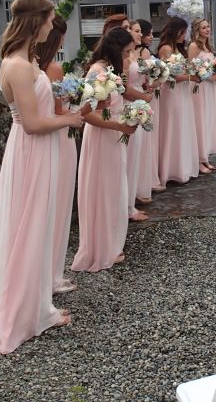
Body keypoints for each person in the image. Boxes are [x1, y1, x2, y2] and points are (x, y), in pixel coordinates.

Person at [0, 0, 83, 355]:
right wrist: (72, 118)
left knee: (39, 227)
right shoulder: (18, 65)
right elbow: (34, 124)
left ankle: (37, 306)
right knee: (31, 228)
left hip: (40, 151)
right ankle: (25, 314)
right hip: (34, 151)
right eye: (51, 19)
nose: (53, 26)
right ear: (36, 20)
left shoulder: (25, 59)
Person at [71, 28, 138, 272]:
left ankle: (110, 242)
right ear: (115, 50)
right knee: (103, 190)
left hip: (113, 135)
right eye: (127, 52)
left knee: (113, 189)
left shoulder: (110, 69)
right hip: (101, 137)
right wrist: (119, 124)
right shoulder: (97, 71)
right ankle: (100, 248)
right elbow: (86, 114)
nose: (130, 57)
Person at [34, 15, 78, 294]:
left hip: (42, 139)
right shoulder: (54, 69)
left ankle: (43, 275)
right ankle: (52, 275)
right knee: (58, 207)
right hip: (59, 136)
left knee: (45, 209)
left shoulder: (32, 68)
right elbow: (60, 111)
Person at [157, 17, 200, 184]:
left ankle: (184, 167)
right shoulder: (166, 49)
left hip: (183, 92)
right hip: (172, 93)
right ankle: (171, 170)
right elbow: (167, 75)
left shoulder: (180, 49)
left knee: (184, 126)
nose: (184, 36)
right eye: (182, 32)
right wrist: (191, 76)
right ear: (174, 31)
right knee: (173, 127)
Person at [123, 20, 153, 221]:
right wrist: (143, 96)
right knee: (129, 157)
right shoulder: (125, 58)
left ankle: (131, 200)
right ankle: (127, 206)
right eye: (136, 31)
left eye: (140, 32)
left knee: (137, 155)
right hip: (129, 105)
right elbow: (123, 87)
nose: (139, 35)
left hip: (140, 102)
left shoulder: (135, 54)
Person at [188, 18, 216, 172]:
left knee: (208, 119)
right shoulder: (194, 46)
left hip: (209, 88)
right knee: (200, 120)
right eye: (203, 27)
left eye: (208, 26)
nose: (207, 29)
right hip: (199, 87)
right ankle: (198, 160)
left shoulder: (208, 46)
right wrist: (209, 77)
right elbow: (191, 68)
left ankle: (205, 157)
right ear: (197, 30)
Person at [137, 19, 165, 194]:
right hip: (146, 96)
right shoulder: (144, 53)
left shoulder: (138, 52)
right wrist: (157, 81)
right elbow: (147, 79)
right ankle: (150, 177)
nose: (150, 37)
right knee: (149, 137)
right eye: (148, 34)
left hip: (144, 94)